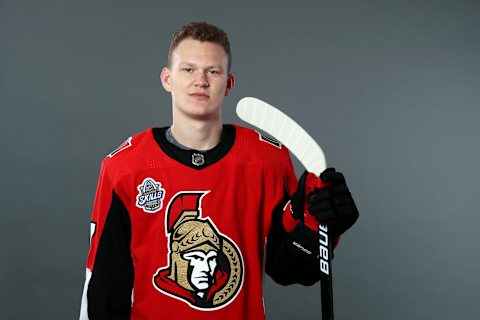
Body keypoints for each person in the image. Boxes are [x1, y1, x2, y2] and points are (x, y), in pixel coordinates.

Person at [79, 21, 359, 320]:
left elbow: (290, 270)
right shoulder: (125, 166)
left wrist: (319, 228)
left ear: (228, 84)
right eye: (188, 69)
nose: (200, 81)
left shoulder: (268, 160)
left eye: (212, 71)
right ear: (167, 79)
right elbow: (105, 290)